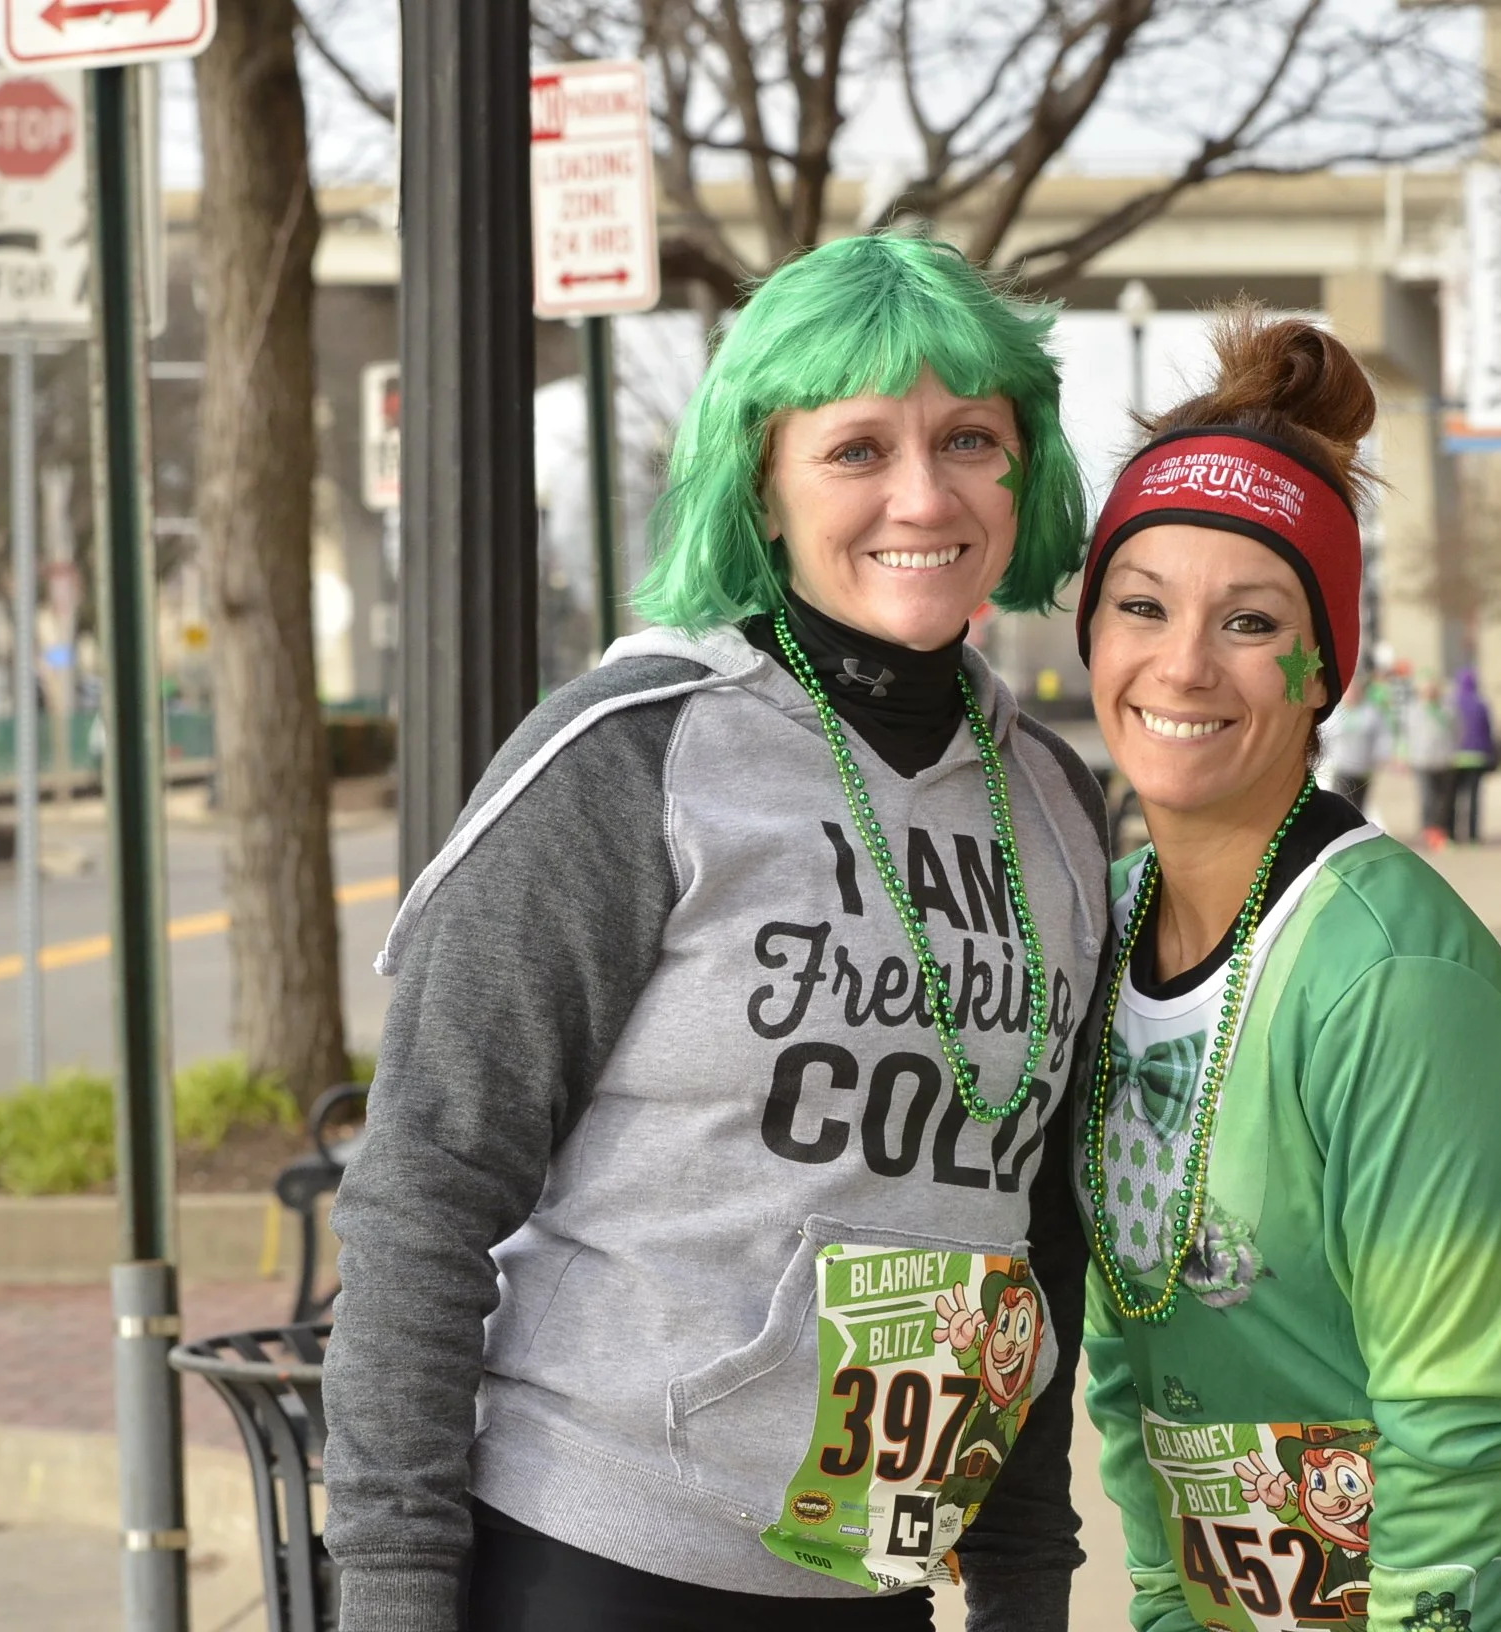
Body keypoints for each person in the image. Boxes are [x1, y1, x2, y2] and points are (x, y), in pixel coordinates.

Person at [323, 231, 1113, 1632]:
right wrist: (390, 1592)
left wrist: (1023, 1582)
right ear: (763, 480)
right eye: (857, 448)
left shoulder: (1053, 802)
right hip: (595, 1549)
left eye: (970, 440)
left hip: (876, 1568)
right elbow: (424, 1190)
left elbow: (1035, 1231)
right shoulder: (631, 758)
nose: (922, 494)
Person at [1070, 309, 1501, 1632]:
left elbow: (1468, 1417)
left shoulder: (1391, 975)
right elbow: (1135, 1377)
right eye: (1141, 605)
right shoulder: (1101, 930)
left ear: (1322, 671)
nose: (1181, 663)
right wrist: (1161, 1607)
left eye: (1249, 622)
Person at [1402, 673, 1459, 851]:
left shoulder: (1447, 710)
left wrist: (1452, 751)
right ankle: (1427, 832)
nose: (1430, 693)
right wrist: (1407, 756)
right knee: (1427, 798)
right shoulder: (1414, 710)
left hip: (1444, 760)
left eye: (1433, 690)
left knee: (1443, 801)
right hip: (1422, 761)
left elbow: (1458, 731)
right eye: (1427, 690)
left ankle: (1441, 832)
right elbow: (1407, 735)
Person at [1314, 666, 1385, 807]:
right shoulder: (1334, 713)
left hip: (1362, 768)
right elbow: (1324, 735)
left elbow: (1381, 737)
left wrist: (1380, 758)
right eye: (1351, 691)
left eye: (1356, 690)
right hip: (1340, 767)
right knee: (1340, 803)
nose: (1353, 694)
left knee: (1358, 805)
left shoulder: (1370, 712)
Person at [1449, 666, 1495, 843]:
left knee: (1455, 799)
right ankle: (1473, 836)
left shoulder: (1453, 702)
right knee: (1474, 799)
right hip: (1478, 757)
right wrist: (1492, 755)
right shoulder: (1481, 704)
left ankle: (1453, 835)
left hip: (1456, 758)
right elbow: (1488, 732)